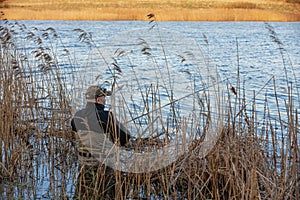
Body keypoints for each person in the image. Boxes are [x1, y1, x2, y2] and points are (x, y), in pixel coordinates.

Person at [71, 85, 132, 199]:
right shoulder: (107, 116)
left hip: (84, 163)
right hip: (103, 166)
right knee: (107, 192)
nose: (105, 100)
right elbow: (126, 138)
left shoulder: (77, 116)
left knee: (83, 193)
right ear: (98, 100)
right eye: (104, 98)